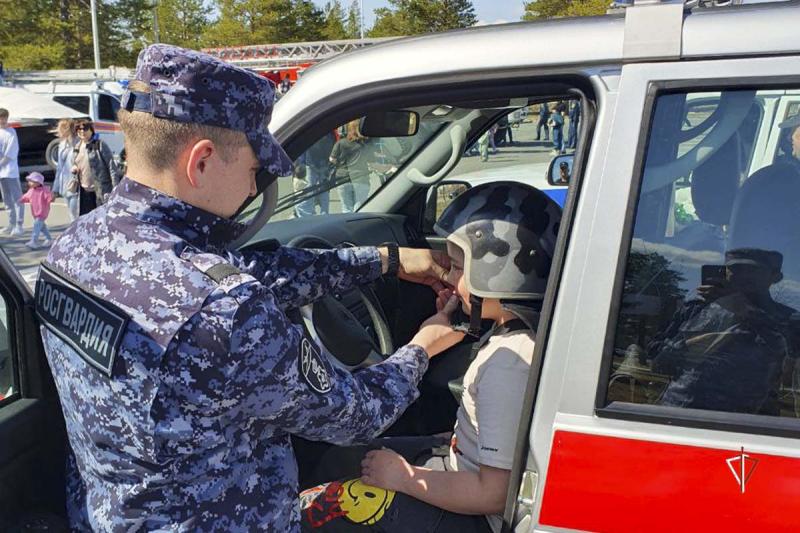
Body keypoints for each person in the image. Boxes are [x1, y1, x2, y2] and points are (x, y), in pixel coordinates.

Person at [34, 44, 466, 532]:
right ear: (201, 161)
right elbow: (356, 415)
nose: (252, 189)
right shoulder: (226, 311)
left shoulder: (74, 246)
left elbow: (249, 270)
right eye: (254, 171)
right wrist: (423, 348)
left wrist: (383, 260)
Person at [298, 182, 563, 533]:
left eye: (456, 267)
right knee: (339, 458)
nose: (449, 279)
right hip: (462, 468)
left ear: (502, 274)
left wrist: (405, 478)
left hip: (477, 514)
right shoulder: (517, 339)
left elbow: (494, 494)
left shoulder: (508, 363)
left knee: (317, 511)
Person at [649, 248, 799, 414]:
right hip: (679, 412)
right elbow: (657, 362)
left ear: (775, 277)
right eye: (735, 269)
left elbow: (789, 358)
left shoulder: (789, 319)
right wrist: (687, 347)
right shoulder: (695, 309)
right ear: (724, 271)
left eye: (753, 270)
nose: (744, 275)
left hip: (749, 423)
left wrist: (743, 309)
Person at [72, 120, 116, 215]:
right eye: (79, 129)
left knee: (101, 219)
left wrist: (115, 188)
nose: (82, 131)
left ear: (91, 130)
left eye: (85, 128)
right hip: (84, 191)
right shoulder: (77, 147)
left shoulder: (100, 145)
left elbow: (111, 166)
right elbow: (77, 163)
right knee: (86, 220)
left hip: (100, 191)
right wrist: (75, 168)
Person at [330, 120, 373, 212]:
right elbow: (371, 159)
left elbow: (332, 159)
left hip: (342, 178)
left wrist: (339, 163)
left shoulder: (341, 143)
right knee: (360, 207)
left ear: (349, 129)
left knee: (346, 207)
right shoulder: (365, 144)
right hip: (361, 178)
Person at [296, 131, 336, 216]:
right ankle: (324, 212)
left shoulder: (310, 130)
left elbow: (304, 148)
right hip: (324, 163)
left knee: (310, 189)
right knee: (324, 189)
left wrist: (301, 163)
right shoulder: (330, 132)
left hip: (311, 163)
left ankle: (307, 213)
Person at [0, 107, 24, 235]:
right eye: (0, 118)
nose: (2, 120)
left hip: (10, 171)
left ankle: (19, 225)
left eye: (4, 118)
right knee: (6, 199)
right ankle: (11, 223)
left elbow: (10, 153)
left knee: (17, 199)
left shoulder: (11, 132)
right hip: (1, 174)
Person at [52, 119, 80, 221]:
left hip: (75, 185)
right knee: (71, 215)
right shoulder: (62, 144)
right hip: (64, 185)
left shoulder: (79, 143)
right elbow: (59, 168)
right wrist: (55, 189)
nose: (58, 132)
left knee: (75, 215)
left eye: (60, 129)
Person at [18, 171, 53, 249]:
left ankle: (34, 241)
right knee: (42, 227)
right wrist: (21, 199)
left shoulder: (44, 190)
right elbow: (26, 197)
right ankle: (49, 239)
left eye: (31, 181)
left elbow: (49, 197)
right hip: (35, 212)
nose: (29, 183)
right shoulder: (31, 190)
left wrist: (50, 199)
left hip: (42, 212)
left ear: (38, 182)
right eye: (29, 181)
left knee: (36, 226)